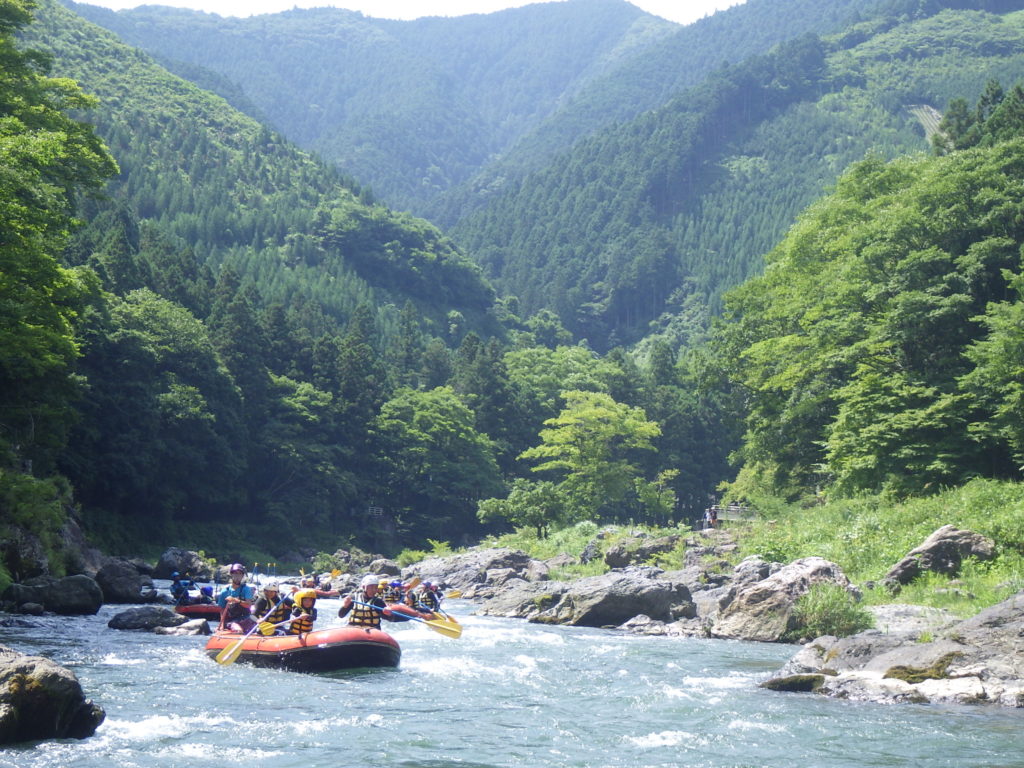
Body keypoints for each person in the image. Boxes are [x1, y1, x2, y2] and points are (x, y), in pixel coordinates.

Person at [217, 563, 256, 633]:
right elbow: (222, 610)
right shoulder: (225, 591)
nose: (237, 576)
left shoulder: (246, 589)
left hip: (246, 618)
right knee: (238, 630)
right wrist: (222, 625)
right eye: (235, 573)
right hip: (232, 620)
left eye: (239, 574)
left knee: (258, 628)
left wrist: (236, 600)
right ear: (231, 574)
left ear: (242, 576)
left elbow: (248, 604)